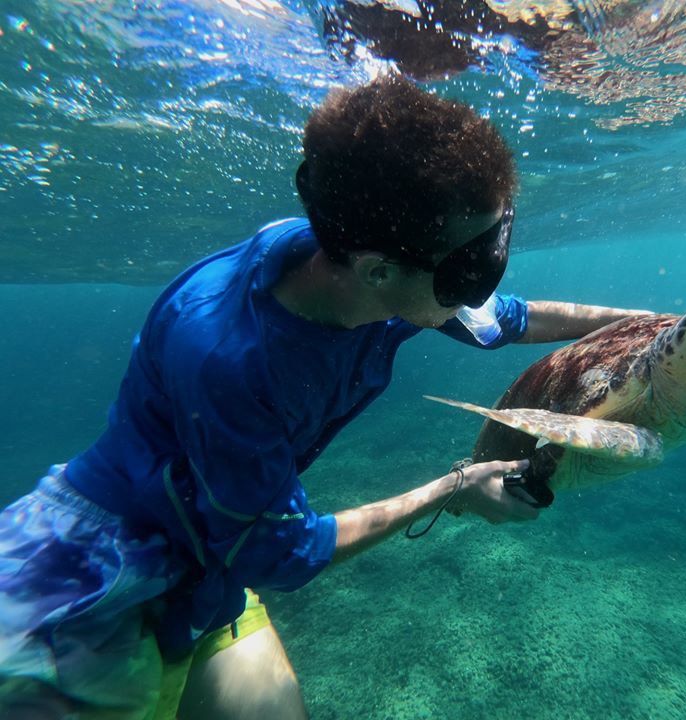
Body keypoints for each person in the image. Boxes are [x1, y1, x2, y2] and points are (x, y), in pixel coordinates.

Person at [0, 75, 647, 720]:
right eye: (471, 267)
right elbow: (282, 554)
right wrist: (453, 487)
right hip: (82, 583)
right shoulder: (231, 362)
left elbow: (509, 319)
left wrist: (660, 327)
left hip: (205, 561)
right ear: (378, 272)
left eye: (494, 248)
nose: (482, 280)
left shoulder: (377, 263)